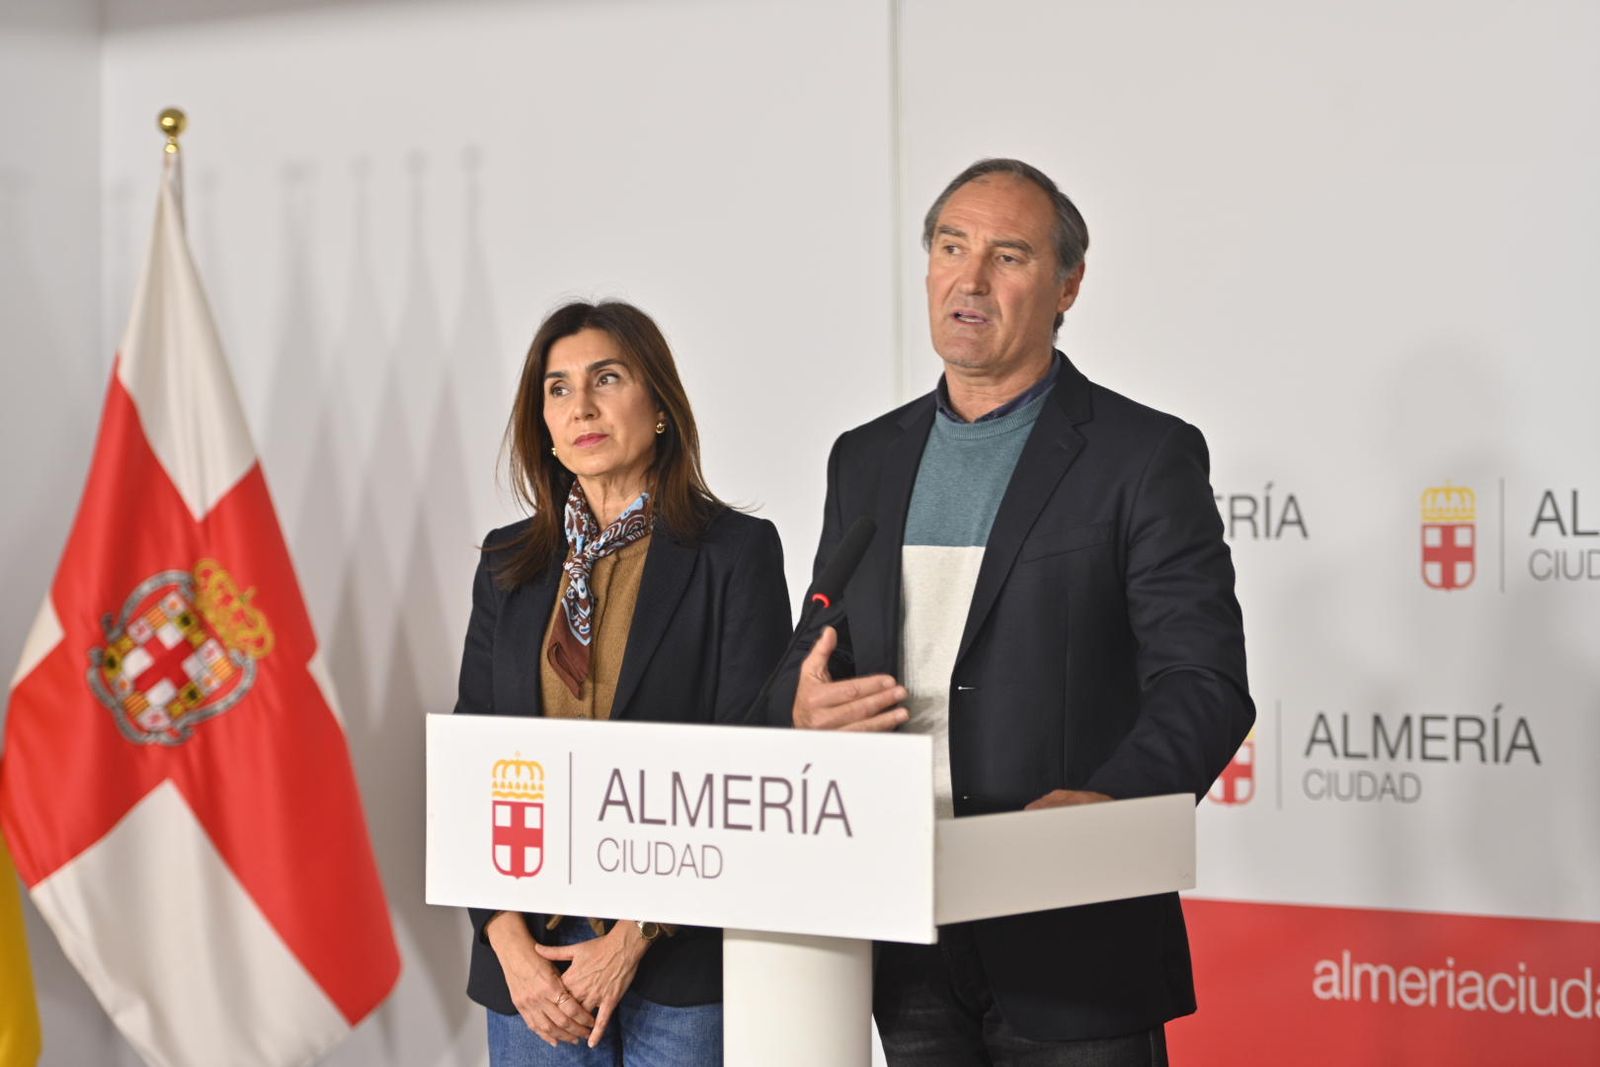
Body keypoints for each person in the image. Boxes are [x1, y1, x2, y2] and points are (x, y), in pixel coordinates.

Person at [770, 159, 1255, 1065]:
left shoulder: (1142, 456)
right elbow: (808, 656)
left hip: (1071, 926)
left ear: (1069, 283)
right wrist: (800, 707)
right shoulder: (863, 459)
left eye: (1009, 255)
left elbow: (1205, 683)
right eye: (951, 247)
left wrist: (1109, 805)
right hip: (903, 922)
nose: (971, 277)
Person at [455, 300, 791, 1066]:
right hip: (530, 959)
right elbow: (472, 759)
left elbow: (748, 759)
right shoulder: (508, 564)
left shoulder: (734, 553)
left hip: (674, 959)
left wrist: (634, 935)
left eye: (607, 378)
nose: (583, 406)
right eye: (559, 388)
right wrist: (502, 934)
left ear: (661, 405)